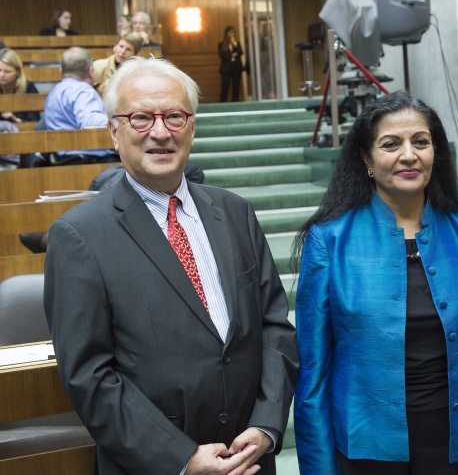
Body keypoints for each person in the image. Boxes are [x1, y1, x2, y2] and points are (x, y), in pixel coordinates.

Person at [43, 56, 299, 475]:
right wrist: (180, 458)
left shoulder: (235, 213)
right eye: (141, 117)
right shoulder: (78, 236)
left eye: (174, 116)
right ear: (114, 130)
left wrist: (267, 425)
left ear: (192, 127)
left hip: (249, 459)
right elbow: (89, 375)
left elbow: (274, 326)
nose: (160, 132)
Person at [292, 90, 458, 475]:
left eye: (421, 142)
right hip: (366, 447)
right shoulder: (329, 240)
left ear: (435, 153)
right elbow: (313, 372)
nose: (409, 155)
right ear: (366, 158)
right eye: (391, 144)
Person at [39, 47, 120, 164]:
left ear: (61, 71)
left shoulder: (54, 92)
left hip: (63, 158)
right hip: (90, 160)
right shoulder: (83, 90)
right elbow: (90, 122)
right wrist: (120, 118)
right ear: (91, 71)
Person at [0, 47, 40, 123]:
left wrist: (15, 120)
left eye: (7, 72)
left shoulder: (28, 87)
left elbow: (34, 121)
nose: (1, 75)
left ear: (18, 72)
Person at [218, 25, 244, 102]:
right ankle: (223, 103)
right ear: (226, 34)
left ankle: (235, 102)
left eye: (233, 33)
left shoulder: (237, 43)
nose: (232, 35)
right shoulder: (221, 44)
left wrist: (235, 45)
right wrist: (231, 55)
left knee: (236, 86)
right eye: (230, 33)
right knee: (225, 86)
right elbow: (222, 55)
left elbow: (240, 52)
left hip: (236, 67)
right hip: (226, 68)